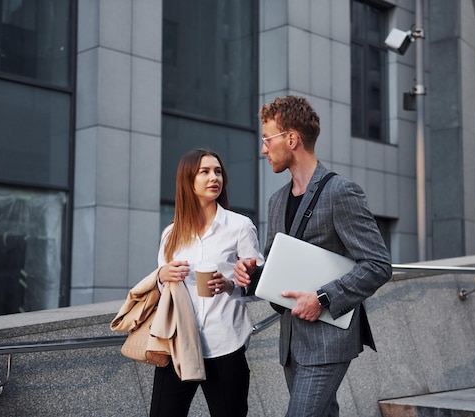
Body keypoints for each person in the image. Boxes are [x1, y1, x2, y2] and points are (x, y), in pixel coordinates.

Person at [234, 95, 392, 417]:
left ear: (291, 138)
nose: (263, 149)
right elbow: (276, 265)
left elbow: (377, 265)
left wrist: (322, 297)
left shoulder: (340, 192)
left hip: (328, 341)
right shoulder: (276, 201)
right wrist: (251, 276)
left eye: (267, 139)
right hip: (292, 343)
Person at [150, 148, 264, 417]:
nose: (214, 177)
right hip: (179, 344)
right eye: (205, 172)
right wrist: (161, 276)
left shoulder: (240, 226)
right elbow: (162, 289)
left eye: (218, 171)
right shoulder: (171, 234)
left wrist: (231, 285)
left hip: (225, 343)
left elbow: (258, 283)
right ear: (188, 180)